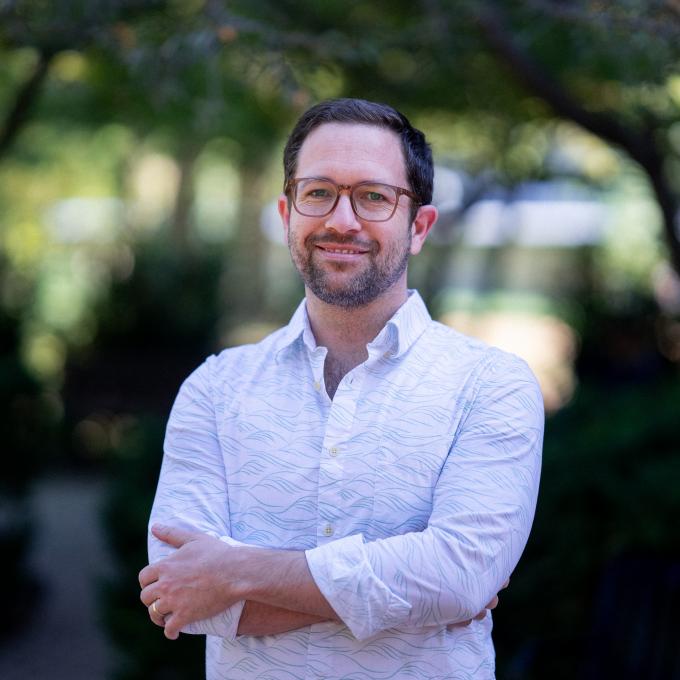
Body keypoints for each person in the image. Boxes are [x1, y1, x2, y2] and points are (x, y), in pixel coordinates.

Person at [139, 98, 544, 679]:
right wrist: (414, 596)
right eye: (319, 192)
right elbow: (178, 591)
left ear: (419, 226)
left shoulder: (491, 386)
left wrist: (237, 572)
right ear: (287, 215)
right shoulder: (215, 388)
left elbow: (460, 576)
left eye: (374, 197)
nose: (342, 220)